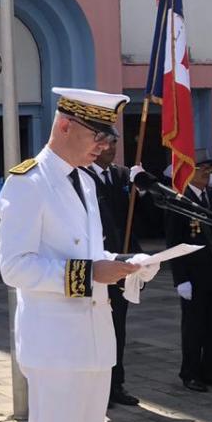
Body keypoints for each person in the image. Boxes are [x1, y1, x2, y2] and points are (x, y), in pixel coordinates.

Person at [0, 87, 159, 422]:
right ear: (64, 125)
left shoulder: (86, 182)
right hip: (54, 344)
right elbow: (15, 267)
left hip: (94, 340)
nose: (103, 146)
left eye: (107, 138)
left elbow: (88, 253)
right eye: (96, 134)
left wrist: (125, 263)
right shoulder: (28, 182)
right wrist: (91, 274)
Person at [165, 156, 212, 393]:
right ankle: (190, 372)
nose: (207, 173)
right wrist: (180, 279)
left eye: (209, 170)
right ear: (188, 171)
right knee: (194, 326)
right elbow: (173, 241)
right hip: (193, 275)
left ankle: (210, 369)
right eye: (201, 169)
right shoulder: (180, 200)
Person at [80, 139, 140, 406]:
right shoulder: (81, 175)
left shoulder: (121, 175)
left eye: (115, 144)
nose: (112, 149)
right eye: (106, 144)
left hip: (122, 262)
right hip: (97, 265)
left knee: (118, 329)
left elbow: (135, 220)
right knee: (95, 331)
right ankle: (96, 389)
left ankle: (116, 385)